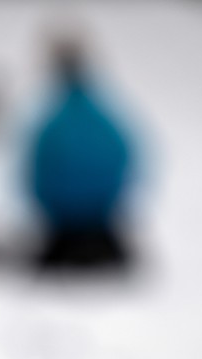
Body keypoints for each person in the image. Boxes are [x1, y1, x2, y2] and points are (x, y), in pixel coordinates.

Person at [25, 33, 138, 272]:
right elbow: (127, 162)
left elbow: (35, 177)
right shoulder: (104, 121)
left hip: (63, 230)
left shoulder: (53, 125)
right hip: (103, 224)